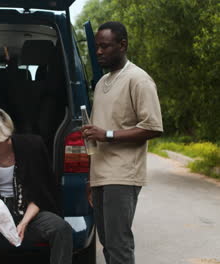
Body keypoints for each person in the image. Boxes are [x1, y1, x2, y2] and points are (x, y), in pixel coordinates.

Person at [82, 21, 163, 264]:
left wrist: (106, 134)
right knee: (107, 244)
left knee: (119, 245)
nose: (98, 52)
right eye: (97, 47)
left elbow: (152, 127)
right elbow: (95, 135)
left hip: (123, 175)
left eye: (104, 46)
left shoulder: (138, 79)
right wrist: (90, 176)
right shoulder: (101, 83)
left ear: (123, 45)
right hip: (100, 176)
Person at [0, 106, 73, 264]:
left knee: (60, 229)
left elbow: (40, 193)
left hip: (27, 210)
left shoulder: (31, 146)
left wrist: (23, 223)